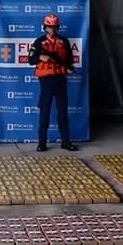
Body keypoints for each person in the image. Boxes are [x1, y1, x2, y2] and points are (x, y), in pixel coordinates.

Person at [28, 13, 77, 152]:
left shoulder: (64, 41)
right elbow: (30, 60)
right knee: (45, 111)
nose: (52, 30)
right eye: (50, 27)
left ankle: (66, 142)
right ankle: (42, 143)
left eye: (55, 27)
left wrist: (69, 67)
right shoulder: (39, 42)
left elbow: (69, 60)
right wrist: (41, 57)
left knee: (63, 111)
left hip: (60, 79)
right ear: (45, 27)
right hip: (46, 80)